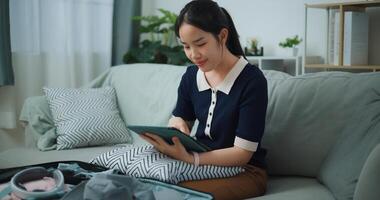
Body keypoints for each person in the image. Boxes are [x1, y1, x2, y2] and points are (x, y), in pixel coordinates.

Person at [140, 0, 268, 199]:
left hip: (246, 171)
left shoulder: (252, 81)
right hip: (197, 162)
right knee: (139, 182)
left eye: (200, 44)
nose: (193, 54)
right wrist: (176, 125)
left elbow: (242, 154)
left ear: (222, 36)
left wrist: (193, 159)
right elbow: (180, 119)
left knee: (177, 195)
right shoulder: (191, 77)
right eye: (186, 46)